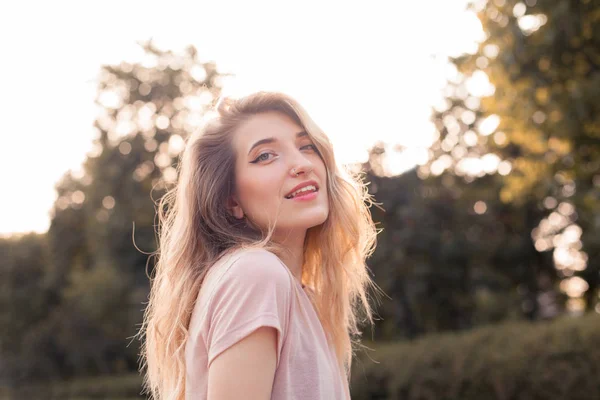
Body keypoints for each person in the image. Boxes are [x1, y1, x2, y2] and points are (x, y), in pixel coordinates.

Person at [138, 91, 381, 400]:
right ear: (232, 201)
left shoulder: (298, 294)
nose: (301, 164)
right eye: (265, 155)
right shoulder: (255, 275)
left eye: (306, 146)